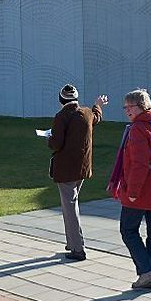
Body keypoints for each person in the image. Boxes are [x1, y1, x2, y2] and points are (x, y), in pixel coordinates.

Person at [108, 88, 151, 290]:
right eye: (125, 107)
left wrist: (133, 191)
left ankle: (146, 272)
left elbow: (139, 163)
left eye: (131, 106)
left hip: (141, 191)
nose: (127, 110)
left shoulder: (138, 129)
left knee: (128, 230)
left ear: (142, 106)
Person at [48, 84, 107, 261]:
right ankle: (72, 242)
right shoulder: (86, 113)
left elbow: (56, 143)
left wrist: (48, 138)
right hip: (82, 167)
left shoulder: (61, 117)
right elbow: (96, 117)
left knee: (70, 207)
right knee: (70, 205)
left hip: (66, 169)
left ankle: (78, 248)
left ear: (61, 100)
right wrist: (98, 104)